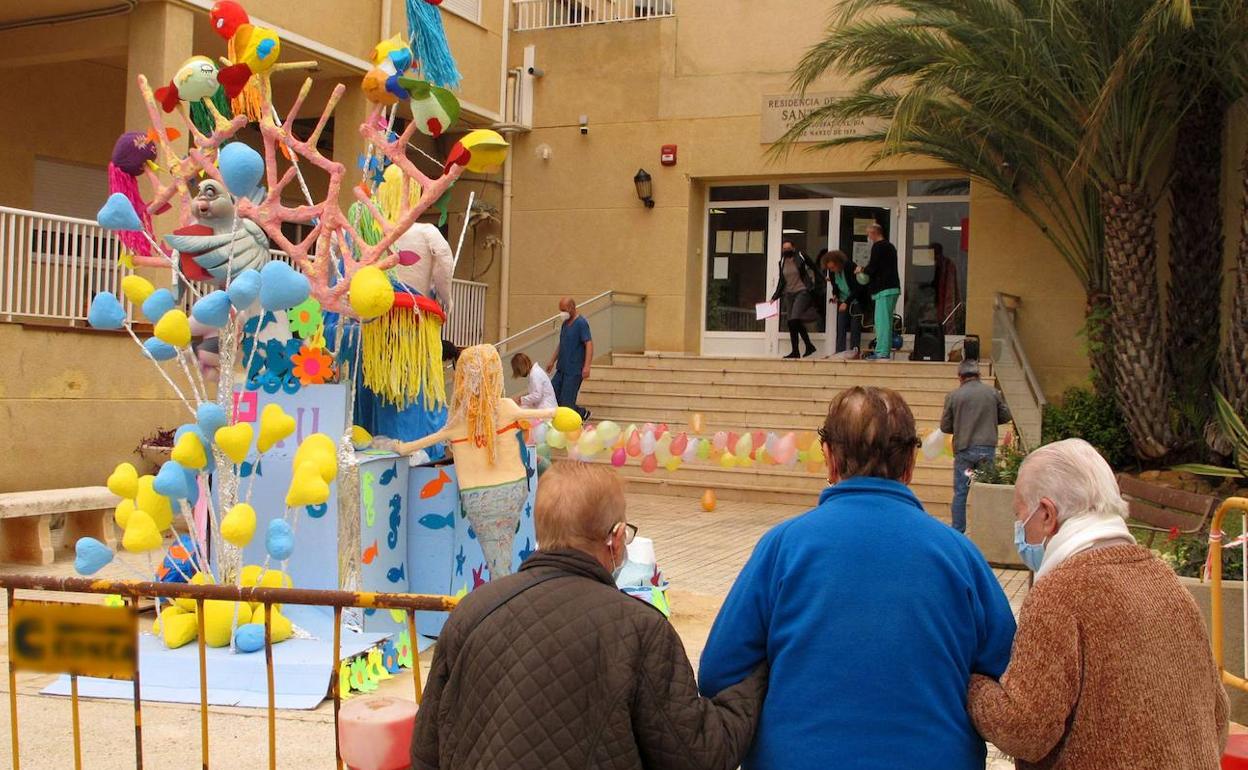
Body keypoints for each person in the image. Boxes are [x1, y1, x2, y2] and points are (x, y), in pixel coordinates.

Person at [699, 386, 1015, 770]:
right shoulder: (959, 555)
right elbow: (1007, 674)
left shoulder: (783, 547)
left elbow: (719, 673)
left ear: (829, 459)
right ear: (911, 463)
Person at [411, 461, 768, 770]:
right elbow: (697, 756)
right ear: (614, 538)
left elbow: (427, 751)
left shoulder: (472, 611)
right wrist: (752, 686)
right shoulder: (640, 630)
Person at [968, 439, 1229, 769]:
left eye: (1020, 516)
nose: (1019, 530)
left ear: (1046, 513)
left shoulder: (1060, 593)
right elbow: (1217, 718)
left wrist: (972, 686)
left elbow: (1025, 730)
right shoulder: (1166, 581)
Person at [383, 344, 558, 580]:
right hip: (512, 490)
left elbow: (417, 444)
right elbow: (550, 414)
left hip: (477, 497)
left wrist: (395, 446)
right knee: (502, 558)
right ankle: (502, 586)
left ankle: (501, 586)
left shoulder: (458, 421)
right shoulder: (505, 407)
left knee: (498, 559)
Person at [941, 359, 1012, 533]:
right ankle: (987, 529)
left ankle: (958, 530)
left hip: (964, 450)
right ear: (979, 375)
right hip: (987, 449)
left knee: (960, 492)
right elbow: (1005, 415)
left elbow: (945, 427)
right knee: (987, 488)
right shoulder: (992, 393)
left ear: (960, 377)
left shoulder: (953, 396)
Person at [855, 223, 900, 360]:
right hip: (893, 288)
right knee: (886, 321)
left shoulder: (878, 246)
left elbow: (873, 267)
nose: (868, 237)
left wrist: (861, 269)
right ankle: (883, 350)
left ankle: (881, 352)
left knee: (882, 322)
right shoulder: (890, 246)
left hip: (883, 290)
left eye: (869, 234)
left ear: (875, 233)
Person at [770, 240, 819, 358]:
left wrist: (823, 279)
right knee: (792, 322)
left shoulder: (801, 257)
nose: (786, 251)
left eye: (788, 248)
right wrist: (774, 297)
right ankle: (799, 349)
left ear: (794, 248)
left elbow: (814, 267)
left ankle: (806, 347)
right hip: (789, 294)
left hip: (802, 291)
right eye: (784, 249)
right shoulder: (781, 262)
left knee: (794, 319)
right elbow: (782, 281)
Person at [546, 297, 593, 421]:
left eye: (564, 310)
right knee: (552, 395)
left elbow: (588, 344)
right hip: (561, 368)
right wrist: (552, 360)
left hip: (574, 370)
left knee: (567, 402)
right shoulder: (565, 324)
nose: (562, 313)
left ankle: (580, 415)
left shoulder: (581, 323)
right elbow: (561, 344)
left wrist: (587, 366)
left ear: (572, 308)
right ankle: (581, 413)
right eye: (560, 310)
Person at [822, 249, 869, 359]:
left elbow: (857, 288)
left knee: (855, 326)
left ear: (839, 263)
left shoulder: (849, 267)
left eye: (833, 267)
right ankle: (840, 351)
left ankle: (854, 351)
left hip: (855, 300)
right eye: (830, 268)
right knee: (841, 326)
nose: (832, 270)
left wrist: (847, 302)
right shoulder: (832, 272)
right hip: (843, 300)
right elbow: (835, 286)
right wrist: (835, 295)